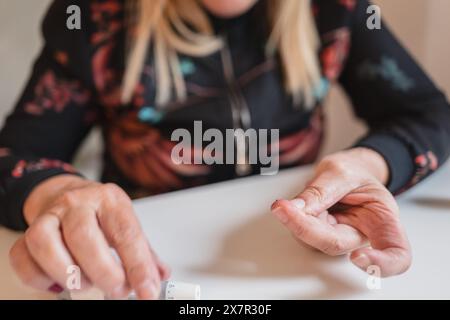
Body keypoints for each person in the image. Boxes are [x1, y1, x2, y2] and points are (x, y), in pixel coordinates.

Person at [1, 0, 449, 299]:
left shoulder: (335, 9)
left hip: (296, 271)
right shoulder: (92, 16)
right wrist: (55, 195)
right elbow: (14, 157)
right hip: (147, 269)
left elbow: (430, 114)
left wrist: (362, 164)